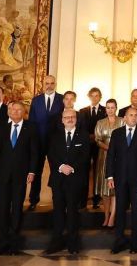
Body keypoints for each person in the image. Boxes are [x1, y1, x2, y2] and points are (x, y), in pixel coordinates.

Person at [0, 101, 39, 256]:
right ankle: (2, 244)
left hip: (21, 175)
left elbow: (34, 152)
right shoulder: (2, 127)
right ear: (9, 112)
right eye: (13, 109)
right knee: (2, 208)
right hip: (3, 175)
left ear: (24, 112)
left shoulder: (31, 127)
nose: (15, 112)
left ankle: (14, 244)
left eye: (19, 110)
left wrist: (32, 171)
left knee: (17, 208)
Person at [106, 106, 137, 254]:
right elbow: (110, 156)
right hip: (119, 179)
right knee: (120, 209)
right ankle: (119, 240)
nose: (134, 117)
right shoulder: (117, 133)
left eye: (136, 115)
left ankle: (135, 242)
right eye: (131, 115)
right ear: (125, 118)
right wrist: (110, 176)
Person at [44, 109, 90, 256]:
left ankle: (73, 243)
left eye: (72, 117)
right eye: (66, 117)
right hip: (58, 179)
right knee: (58, 211)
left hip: (75, 180)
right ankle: (56, 242)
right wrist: (61, 167)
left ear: (76, 119)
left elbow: (85, 156)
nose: (69, 119)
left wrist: (72, 168)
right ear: (62, 120)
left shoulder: (83, 136)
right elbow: (51, 154)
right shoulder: (54, 136)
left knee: (72, 212)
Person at [27, 75, 62, 210]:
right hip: (38, 142)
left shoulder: (61, 99)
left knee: (56, 172)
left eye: (52, 83)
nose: (49, 86)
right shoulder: (36, 100)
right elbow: (31, 122)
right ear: (43, 84)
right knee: (36, 170)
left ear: (55, 84)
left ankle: (57, 200)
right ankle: (33, 200)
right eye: (47, 83)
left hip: (55, 143)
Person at [94, 99, 124, 227]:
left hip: (120, 156)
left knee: (116, 188)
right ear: (105, 109)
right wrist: (108, 148)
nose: (110, 110)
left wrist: (115, 149)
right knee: (105, 189)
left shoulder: (122, 121)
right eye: (108, 107)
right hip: (104, 155)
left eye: (112, 107)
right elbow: (97, 139)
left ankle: (113, 216)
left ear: (116, 108)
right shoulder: (100, 122)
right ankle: (106, 216)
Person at [79, 86, 105, 209]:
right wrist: (88, 137)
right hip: (85, 145)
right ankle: (83, 199)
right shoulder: (82, 111)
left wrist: (97, 136)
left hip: (100, 145)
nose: (94, 98)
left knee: (98, 171)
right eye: (92, 95)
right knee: (84, 171)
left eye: (97, 96)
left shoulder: (105, 110)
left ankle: (96, 199)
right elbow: (80, 128)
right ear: (89, 97)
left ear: (100, 97)